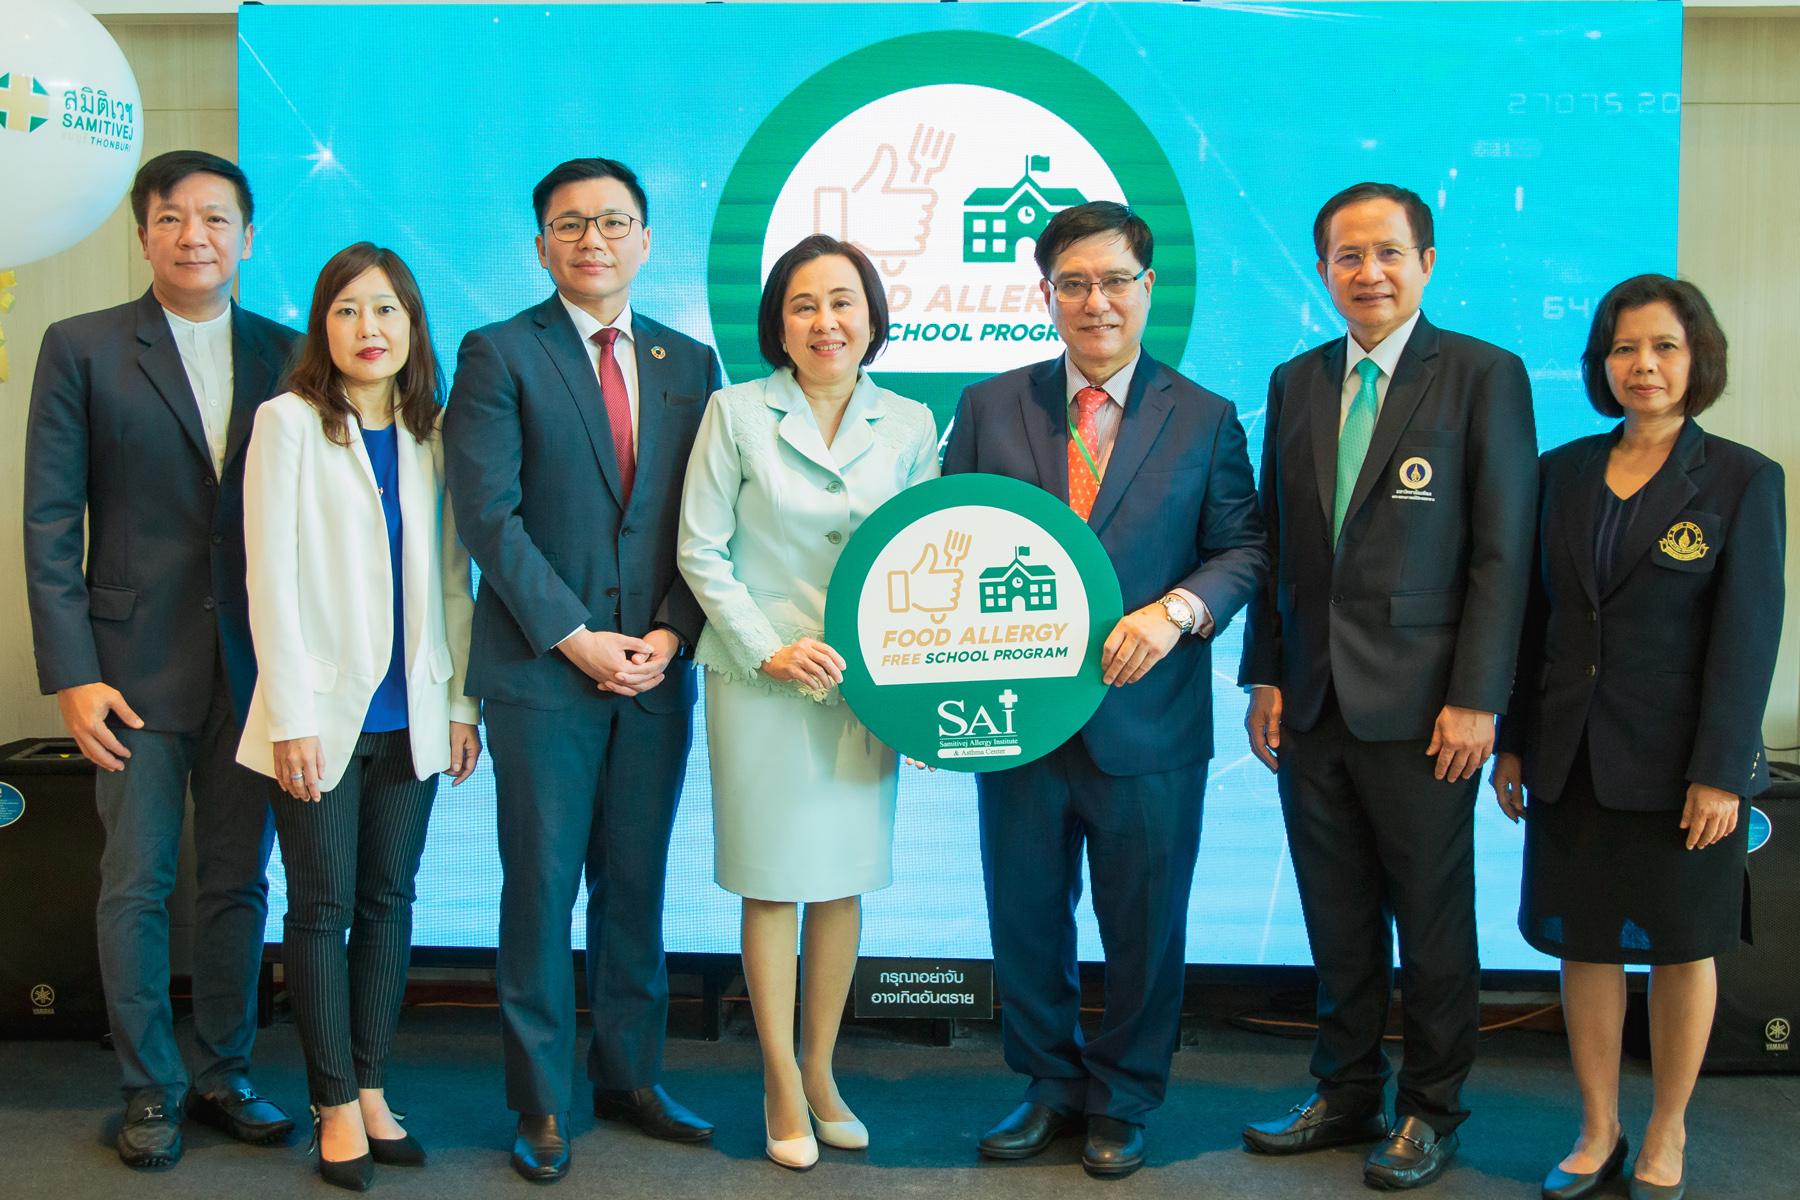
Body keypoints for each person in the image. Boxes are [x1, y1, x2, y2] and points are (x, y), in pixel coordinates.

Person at [943, 201, 1268, 1178]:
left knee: (1145, 927)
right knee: (1025, 918)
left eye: (1116, 281)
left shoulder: (1204, 415)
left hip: (1150, 722)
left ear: (1147, 288)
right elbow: (950, 545)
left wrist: (1176, 613)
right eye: (1074, 284)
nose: (1097, 302)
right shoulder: (990, 406)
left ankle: (1125, 1097)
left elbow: (1244, 548)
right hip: (1018, 719)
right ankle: (1048, 1085)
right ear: (1046, 294)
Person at [1237, 182, 1538, 1189]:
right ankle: (1346, 1090)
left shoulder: (1484, 374)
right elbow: (1280, 540)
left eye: (1388, 254)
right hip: (1310, 700)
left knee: (1432, 919)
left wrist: (1479, 697)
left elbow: (1503, 550)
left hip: (1428, 709)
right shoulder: (1297, 379)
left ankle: (1432, 1109)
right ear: (1324, 269)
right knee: (1337, 916)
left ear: (1427, 262)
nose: (1368, 273)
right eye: (1347, 257)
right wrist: (1265, 673)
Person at [442, 157, 721, 1183]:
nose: (591, 240)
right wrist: (575, 635)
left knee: (635, 886)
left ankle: (629, 1076)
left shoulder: (690, 361)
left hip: (655, 672)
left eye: (612, 222)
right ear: (540, 245)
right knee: (541, 889)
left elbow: (706, 518)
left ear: (646, 240)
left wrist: (671, 634)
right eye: (569, 225)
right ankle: (542, 1101)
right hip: (542, 674)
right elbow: (489, 518)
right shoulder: (498, 352)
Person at [23, 150, 299, 1169]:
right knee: (135, 883)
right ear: (143, 232)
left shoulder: (290, 353)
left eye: (216, 218)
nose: (195, 236)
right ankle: (149, 1087)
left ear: (247, 237)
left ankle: (224, 1072)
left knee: (238, 883)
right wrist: (72, 672)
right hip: (127, 670)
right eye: (173, 217)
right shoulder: (83, 346)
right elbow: (50, 520)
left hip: (255, 666)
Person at [1492, 276, 1783, 1200]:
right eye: (1624, 348)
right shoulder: (1560, 472)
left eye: (1664, 347)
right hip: (1570, 757)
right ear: (1601, 364)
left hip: (1683, 772)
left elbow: (1747, 639)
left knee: (1681, 948)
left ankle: (1667, 1130)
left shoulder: (1742, 478)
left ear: (1698, 360)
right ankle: (1598, 1127)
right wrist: (1514, 742)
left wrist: (1721, 771)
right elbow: (1533, 622)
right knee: (1585, 945)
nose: (1643, 365)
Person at [678, 235, 938, 1170]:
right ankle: (779, 1079)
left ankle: (822, 1071)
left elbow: (924, 559)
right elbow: (700, 548)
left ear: (871, 317)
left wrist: (912, 689)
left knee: (840, 879)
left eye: (842, 302)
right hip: (761, 683)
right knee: (772, 879)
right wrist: (769, 649)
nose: (825, 321)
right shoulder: (734, 412)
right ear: (778, 325)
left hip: (863, 688)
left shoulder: (911, 423)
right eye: (803, 304)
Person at [238, 243, 483, 1190]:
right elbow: (270, 580)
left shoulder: (431, 434)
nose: (367, 328)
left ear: (412, 325)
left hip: (413, 713)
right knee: (322, 908)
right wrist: (289, 715)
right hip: (318, 717)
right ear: (322, 327)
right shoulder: (289, 423)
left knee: (390, 902)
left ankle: (374, 1087)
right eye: (346, 310)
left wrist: (460, 703)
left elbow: (454, 582)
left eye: (385, 310)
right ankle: (332, 1101)